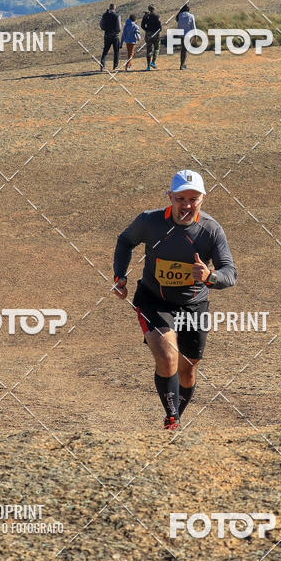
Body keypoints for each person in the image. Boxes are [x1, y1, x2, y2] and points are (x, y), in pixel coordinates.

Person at [112, 170, 237, 431]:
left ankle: (174, 418)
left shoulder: (211, 231)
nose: (187, 205)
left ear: (203, 198)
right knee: (167, 355)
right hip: (153, 300)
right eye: (180, 198)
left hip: (194, 305)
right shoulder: (150, 221)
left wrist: (209, 276)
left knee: (187, 370)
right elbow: (125, 241)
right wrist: (119, 275)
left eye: (193, 199)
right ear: (170, 196)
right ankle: (173, 421)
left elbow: (230, 273)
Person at [99, 3, 121, 71]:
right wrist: (117, 31)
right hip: (115, 36)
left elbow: (101, 25)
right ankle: (115, 66)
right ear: (114, 8)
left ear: (109, 7)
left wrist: (105, 29)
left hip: (107, 35)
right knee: (116, 51)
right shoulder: (117, 16)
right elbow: (119, 27)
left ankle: (102, 66)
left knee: (105, 51)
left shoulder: (104, 15)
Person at [175, 3, 197, 70]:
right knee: (184, 49)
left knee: (183, 49)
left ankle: (182, 64)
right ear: (188, 9)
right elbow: (193, 26)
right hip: (188, 34)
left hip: (181, 34)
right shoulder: (191, 16)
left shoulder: (180, 15)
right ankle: (182, 65)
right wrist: (195, 35)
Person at [141, 5, 162, 71]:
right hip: (156, 34)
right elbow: (160, 27)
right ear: (154, 9)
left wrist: (147, 30)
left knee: (149, 50)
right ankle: (153, 62)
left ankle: (148, 66)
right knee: (157, 48)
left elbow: (142, 25)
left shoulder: (146, 16)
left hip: (148, 34)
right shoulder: (157, 16)